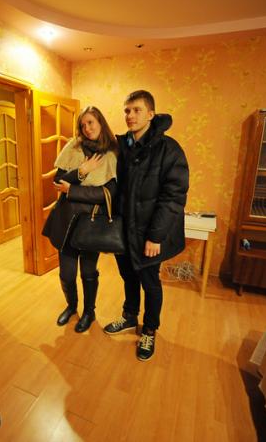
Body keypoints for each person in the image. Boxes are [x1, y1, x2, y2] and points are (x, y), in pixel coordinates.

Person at [103, 90, 189, 361]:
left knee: (150, 283)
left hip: (149, 234)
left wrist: (155, 236)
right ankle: (130, 316)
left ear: (151, 114)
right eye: (127, 110)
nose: (130, 115)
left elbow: (173, 197)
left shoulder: (169, 149)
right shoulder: (122, 147)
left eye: (137, 110)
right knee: (128, 277)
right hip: (123, 231)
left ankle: (149, 329)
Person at [42, 106, 118, 333]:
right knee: (66, 274)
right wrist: (82, 170)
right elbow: (58, 182)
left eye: (91, 122)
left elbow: (107, 193)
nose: (87, 128)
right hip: (66, 220)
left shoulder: (111, 153)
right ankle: (71, 306)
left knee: (88, 272)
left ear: (100, 123)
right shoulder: (72, 147)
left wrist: (72, 190)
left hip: (91, 222)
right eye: (83, 125)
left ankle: (89, 312)